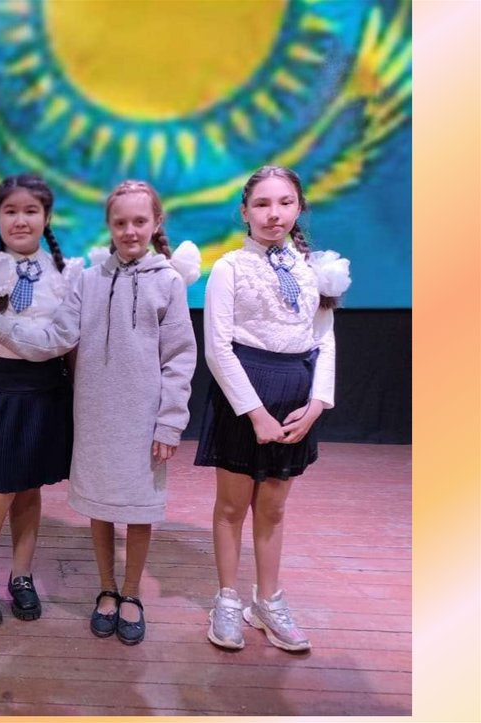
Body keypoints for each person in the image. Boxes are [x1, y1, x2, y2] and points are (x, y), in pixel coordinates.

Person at [0, 179, 198, 644]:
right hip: (95, 415)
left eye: (139, 221)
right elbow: (55, 340)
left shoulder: (168, 282)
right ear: (109, 226)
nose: (130, 231)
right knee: (101, 506)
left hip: (144, 420)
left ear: (156, 223)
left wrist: (170, 422)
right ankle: (106, 588)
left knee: (139, 509)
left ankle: (132, 592)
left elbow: (180, 358)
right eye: (120, 222)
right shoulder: (88, 280)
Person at [195, 165, 351, 652]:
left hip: (295, 397)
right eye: (261, 204)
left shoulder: (315, 270)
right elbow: (218, 348)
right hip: (245, 396)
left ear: (299, 207)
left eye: (284, 202)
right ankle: (227, 599)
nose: (273, 213)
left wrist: (317, 403)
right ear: (245, 211)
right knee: (231, 507)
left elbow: (323, 340)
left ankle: (268, 602)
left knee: (274, 508)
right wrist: (255, 413)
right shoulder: (229, 268)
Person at [0, 174, 82, 626]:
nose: (21, 220)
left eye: (31, 211)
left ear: (47, 217)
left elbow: (71, 346)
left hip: (46, 393)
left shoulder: (69, 272)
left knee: (29, 491)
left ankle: (22, 575)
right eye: (10, 211)